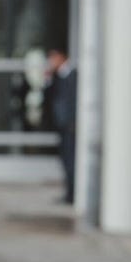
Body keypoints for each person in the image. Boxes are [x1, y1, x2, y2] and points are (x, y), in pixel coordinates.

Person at [43, 48, 77, 204]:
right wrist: (48, 79)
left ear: (61, 57)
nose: (51, 63)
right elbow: (49, 97)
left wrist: (73, 122)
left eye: (53, 58)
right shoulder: (58, 77)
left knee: (71, 161)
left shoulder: (74, 76)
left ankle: (72, 195)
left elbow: (74, 101)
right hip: (62, 126)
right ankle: (69, 193)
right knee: (65, 160)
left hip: (70, 127)